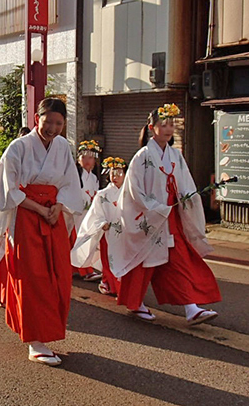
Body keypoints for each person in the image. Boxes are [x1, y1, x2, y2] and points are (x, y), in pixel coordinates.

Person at [0, 98, 86, 367]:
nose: (53, 128)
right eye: (49, 122)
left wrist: (58, 206)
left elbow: (70, 183)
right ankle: (35, 341)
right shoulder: (19, 147)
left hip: (53, 216)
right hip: (26, 215)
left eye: (59, 123)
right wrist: (38, 208)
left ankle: (47, 333)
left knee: (58, 275)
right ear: (37, 118)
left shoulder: (62, 147)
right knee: (31, 276)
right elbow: (7, 189)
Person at [110, 103, 220, 325]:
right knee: (143, 262)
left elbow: (185, 182)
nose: (169, 129)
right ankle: (135, 302)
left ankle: (191, 308)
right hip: (151, 217)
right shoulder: (142, 156)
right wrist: (156, 208)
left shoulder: (175, 155)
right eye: (164, 124)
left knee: (178, 260)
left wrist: (188, 198)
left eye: (172, 124)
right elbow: (134, 191)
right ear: (152, 127)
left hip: (171, 217)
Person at [72, 157, 127, 297]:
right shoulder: (103, 194)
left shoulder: (129, 194)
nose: (115, 176)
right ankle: (109, 283)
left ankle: (120, 286)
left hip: (124, 234)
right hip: (108, 232)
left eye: (120, 172)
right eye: (113, 172)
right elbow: (96, 213)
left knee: (123, 262)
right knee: (108, 261)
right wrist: (102, 223)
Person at [73, 140, 102, 281]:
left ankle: (83, 267)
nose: (87, 160)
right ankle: (86, 270)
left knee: (87, 240)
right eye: (84, 157)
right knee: (80, 239)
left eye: (90, 157)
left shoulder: (95, 178)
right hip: (77, 213)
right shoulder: (75, 176)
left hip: (88, 213)